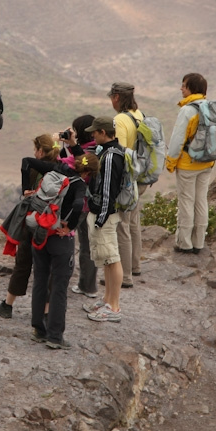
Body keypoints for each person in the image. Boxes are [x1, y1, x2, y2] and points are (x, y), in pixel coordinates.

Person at [25, 153, 93, 349]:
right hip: (60, 240)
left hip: (41, 233)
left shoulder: (56, 171)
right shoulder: (79, 185)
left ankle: (39, 330)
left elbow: (28, 163)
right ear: (88, 173)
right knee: (59, 287)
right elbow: (79, 204)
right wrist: (70, 226)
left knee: (40, 280)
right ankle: (55, 337)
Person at [166, 73, 216, 254]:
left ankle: (184, 244)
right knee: (201, 201)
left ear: (191, 88)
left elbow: (177, 140)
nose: (181, 89)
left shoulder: (187, 111)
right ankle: (199, 243)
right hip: (207, 163)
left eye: (184, 85)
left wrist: (170, 162)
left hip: (188, 165)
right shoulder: (212, 108)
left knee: (186, 202)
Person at [0, 133, 59, 319]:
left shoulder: (35, 169)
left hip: (31, 223)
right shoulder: (62, 169)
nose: (34, 153)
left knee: (22, 264)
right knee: (47, 269)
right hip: (51, 226)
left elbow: (26, 187)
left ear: (41, 151)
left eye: (36, 150)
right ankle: (46, 312)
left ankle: (7, 305)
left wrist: (25, 190)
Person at [83, 116, 125, 323]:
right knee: (107, 260)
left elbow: (108, 190)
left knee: (112, 258)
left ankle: (114, 307)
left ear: (103, 132)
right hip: (104, 213)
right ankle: (107, 299)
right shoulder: (108, 152)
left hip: (105, 215)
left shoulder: (110, 157)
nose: (92, 135)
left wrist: (100, 219)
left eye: (95, 132)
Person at [108, 82, 146, 289]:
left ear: (116, 97)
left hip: (126, 180)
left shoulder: (120, 120)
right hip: (139, 176)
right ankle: (135, 265)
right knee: (133, 223)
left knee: (121, 226)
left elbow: (119, 151)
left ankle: (125, 276)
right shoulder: (139, 115)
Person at [59, 114, 99, 297]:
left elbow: (72, 165)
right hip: (91, 205)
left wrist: (54, 148)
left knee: (64, 239)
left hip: (79, 205)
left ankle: (59, 279)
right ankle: (88, 286)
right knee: (88, 246)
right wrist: (70, 145)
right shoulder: (96, 148)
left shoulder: (88, 153)